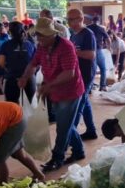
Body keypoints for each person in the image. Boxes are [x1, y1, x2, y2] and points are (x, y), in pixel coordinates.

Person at [19, 16, 85, 172]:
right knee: (65, 123)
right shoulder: (42, 47)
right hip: (53, 91)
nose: (38, 38)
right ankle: (79, 151)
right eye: (37, 35)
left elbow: (69, 73)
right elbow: (33, 64)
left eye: (41, 35)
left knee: (62, 127)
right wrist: (24, 77)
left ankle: (57, 157)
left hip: (70, 92)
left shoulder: (66, 47)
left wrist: (50, 85)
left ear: (51, 34)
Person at [66, 8, 99, 140]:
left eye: (72, 19)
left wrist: (73, 52)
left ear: (81, 19)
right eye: (68, 20)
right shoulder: (73, 34)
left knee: (78, 105)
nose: (70, 23)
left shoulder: (87, 34)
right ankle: (91, 130)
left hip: (86, 74)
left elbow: (91, 55)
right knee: (84, 103)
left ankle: (69, 137)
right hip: (77, 74)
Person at [0, 21, 36, 106]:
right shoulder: (30, 44)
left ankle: (18, 118)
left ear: (10, 32)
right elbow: (36, 62)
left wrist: (8, 68)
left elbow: (0, 62)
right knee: (30, 105)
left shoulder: (6, 45)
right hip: (29, 78)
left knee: (12, 106)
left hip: (12, 78)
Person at [87, 14, 110, 91]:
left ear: (92, 21)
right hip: (99, 50)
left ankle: (89, 88)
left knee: (91, 70)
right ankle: (102, 86)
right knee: (103, 69)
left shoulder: (87, 28)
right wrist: (108, 48)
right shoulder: (101, 29)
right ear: (99, 21)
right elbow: (108, 39)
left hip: (89, 51)